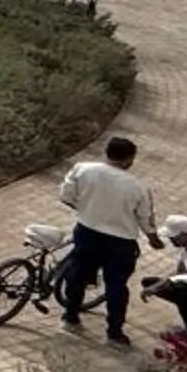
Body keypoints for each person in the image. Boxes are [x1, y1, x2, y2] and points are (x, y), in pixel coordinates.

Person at [58, 133, 162, 344]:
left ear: (106, 153)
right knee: (116, 286)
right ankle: (115, 331)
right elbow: (145, 218)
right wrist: (154, 239)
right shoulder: (139, 187)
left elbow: (66, 196)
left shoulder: (83, 169)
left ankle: (71, 314)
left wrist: (88, 211)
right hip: (120, 243)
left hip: (87, 233)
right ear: (129, 159)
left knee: (77, 275)